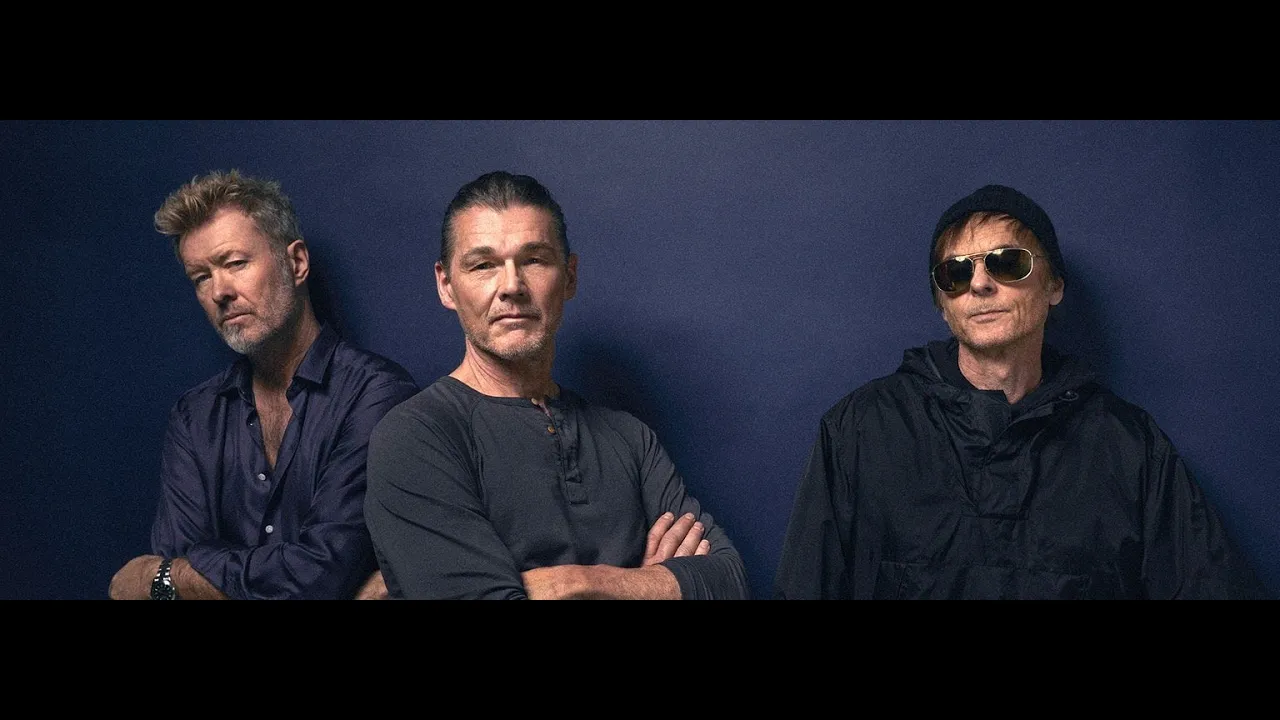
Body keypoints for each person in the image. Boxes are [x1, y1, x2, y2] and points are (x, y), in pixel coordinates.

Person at [774, 183, 1265, 599]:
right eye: (955, 272)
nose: (979, 284)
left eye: (1007, 263)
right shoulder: (859, 431)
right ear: (943, 304)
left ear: (1054, 286)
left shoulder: (1128, 446)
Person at [364, 170, 749, 599]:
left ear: (569, 276)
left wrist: (577, 583)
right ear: (446, 285)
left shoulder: (631, 438)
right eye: (484, 265)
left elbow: (729, 580)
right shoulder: (417, 437)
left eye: (534, 260)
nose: (511, 286)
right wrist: (653, 586)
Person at [108, 170, 418, 600]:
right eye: (201, 277)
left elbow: (319, 574)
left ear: (297, 263)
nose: (219, 291)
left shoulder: (376, 395)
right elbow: (179, 564)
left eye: (235, 263)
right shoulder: (196, 416)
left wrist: (164, 578)